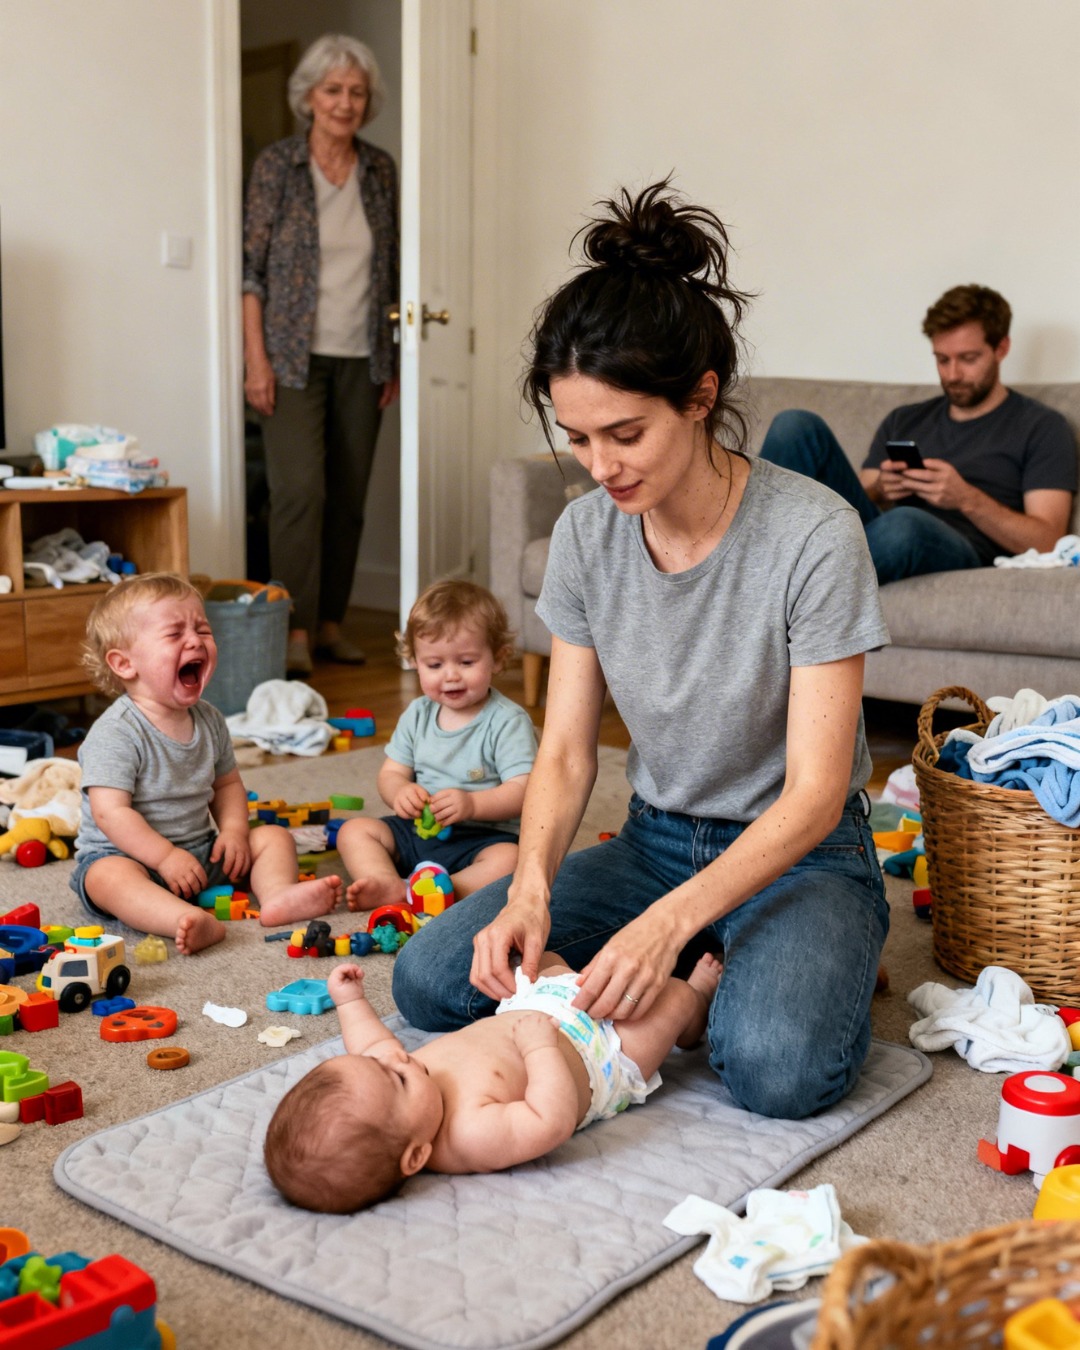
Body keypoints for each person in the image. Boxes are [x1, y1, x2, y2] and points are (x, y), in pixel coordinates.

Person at [391, 181, 892, 1122]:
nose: (601, 464)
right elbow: (570, 750)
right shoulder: (585, 538)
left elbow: (819, 792)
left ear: (701, 398)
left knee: (776, 1070)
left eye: (626, 433)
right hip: (656, 838)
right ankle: (711, 971)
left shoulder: (815, 534)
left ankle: (788, 959)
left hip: (802, 852)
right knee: (431, 981)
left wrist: (668, 926)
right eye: (577, 436)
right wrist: (530, 891)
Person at [265, 952, 721, 1212]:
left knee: (539, 959)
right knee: (670, 1002)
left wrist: (349, 1001)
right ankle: (696, 1005)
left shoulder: (394, 1081)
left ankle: (584, 968)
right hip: (600, 1051)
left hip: (536, 1006)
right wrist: (539, 1050)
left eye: (382, 1065)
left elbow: (369, 1045)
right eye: (397, 1079)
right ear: (417, 1155)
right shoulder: (468, 1136)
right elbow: (549, 1120)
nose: (397, 1059)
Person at [71, 573, 342, 953]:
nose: (195, 640)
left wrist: (233, 832)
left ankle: (278, 895)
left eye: (202, 629)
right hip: (128, 857)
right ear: (124, 663)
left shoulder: (210, 719)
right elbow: (110, 814)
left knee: (271, 837)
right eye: (174, 634)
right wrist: (164, 858)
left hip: (200, 853)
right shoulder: (115, 732)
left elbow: (227, 785)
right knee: (107, 879)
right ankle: (181, 918)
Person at [242, 33, 399, 676]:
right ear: (308, 96)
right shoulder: (278, 166)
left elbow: (392, 271)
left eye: (356, 92)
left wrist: (394, 354)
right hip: (291, 358)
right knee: (299, 492)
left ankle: (331, 623)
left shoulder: (380, 170)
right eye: (333, 90)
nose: (345, 103)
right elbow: (251, 273)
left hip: (363, 357)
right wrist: (257, 360)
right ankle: (293, 629)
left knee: (348, 495)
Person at [758, 285, 1077, 584]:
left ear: (1001, 348)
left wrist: (966, 499)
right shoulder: (905, 418)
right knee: (795, 425)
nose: (953, 374)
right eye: (942, 359)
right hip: (874, 536)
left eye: (968, 359)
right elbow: (859, 504)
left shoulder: (1042, 426)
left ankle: (780, 580)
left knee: (905, 524)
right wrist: (881, 490)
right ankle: (758, 564)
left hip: (959, 548)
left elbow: (1048, 541)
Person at [336, 581, 537, 910]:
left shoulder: (507, 721)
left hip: (482, 837)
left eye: (467, 662)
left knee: (511, 861)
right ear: (415, 661)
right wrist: (400, 792)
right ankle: (387, 883)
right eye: (435, 665)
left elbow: (525, 790)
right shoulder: (417, 714)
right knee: (354, 831)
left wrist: (472, 805)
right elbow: (391, 774)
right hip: (417, 832)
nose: (451, 676)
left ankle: (446, 890)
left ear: (498, 659)